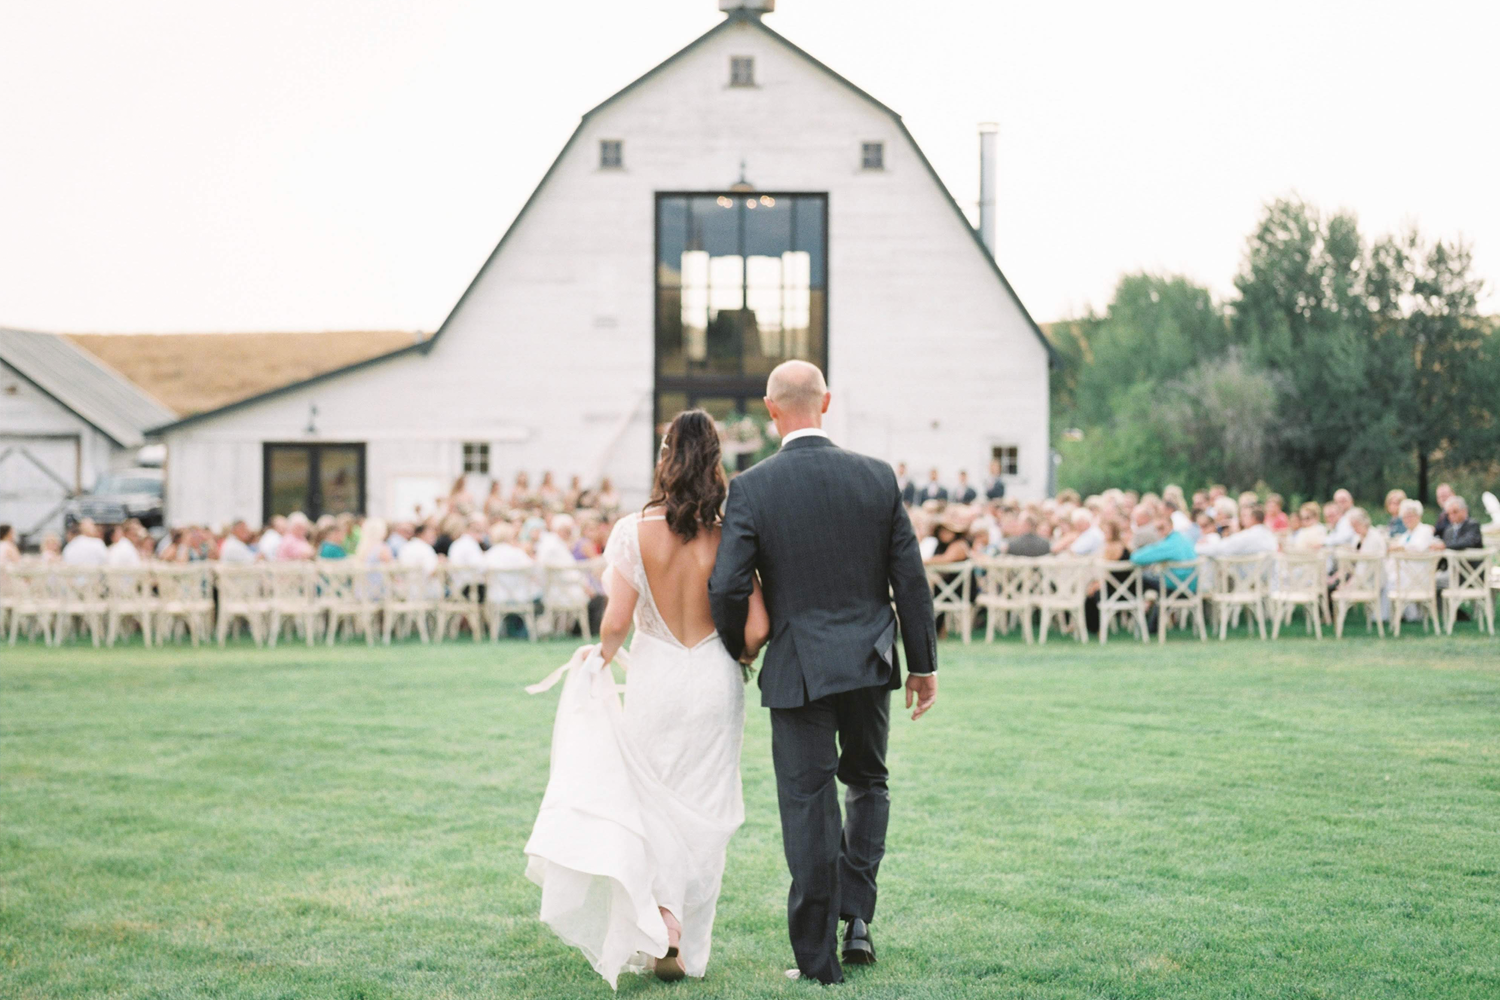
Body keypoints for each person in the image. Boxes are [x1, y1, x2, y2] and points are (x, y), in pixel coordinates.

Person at [706, 360, 936, 984]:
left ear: (771, 409)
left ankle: (818, 960)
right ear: (826, 403)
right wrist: (923, 665)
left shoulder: (751, 488)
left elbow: (726, 585)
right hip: (869, 660)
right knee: (869, 782)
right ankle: (857, 916)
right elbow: (909, 582)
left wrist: (741, 646)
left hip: (799, 665)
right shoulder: (876, 477)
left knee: (808, 804)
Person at [525, 408, 770, 987]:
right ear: (715, 461)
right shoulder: (730, 529)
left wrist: (601, 661)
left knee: (651, 803)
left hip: (656, 679)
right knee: (706, 811)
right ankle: (684, 944)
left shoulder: (633, 531)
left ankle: (661, 922)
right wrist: (739, 656)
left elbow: (616, 621)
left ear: (665, 457)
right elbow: (757, 628)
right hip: (713, 677)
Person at [1212, 504, 1278, 556]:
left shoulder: (1248, 535)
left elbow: (1220, 549)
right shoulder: (1267, 533)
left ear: (1254, 518)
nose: (1241, 519)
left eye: (1244, 515)